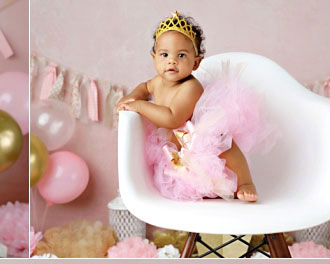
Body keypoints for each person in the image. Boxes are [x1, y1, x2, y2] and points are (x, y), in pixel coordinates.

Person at [117, 11, 275, 202]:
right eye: (164, 54)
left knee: (222, 142)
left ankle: (245, 182)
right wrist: (131, 97)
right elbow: (144, 87)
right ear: (154, 58)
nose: (172, 61)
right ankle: (218, 189)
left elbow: (173, 118)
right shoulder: (157, 81)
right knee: (192, 180)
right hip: (175, 149)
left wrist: (139, 105)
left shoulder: (190, 87)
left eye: (181, 55)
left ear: (196, 63)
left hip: (196, 139)